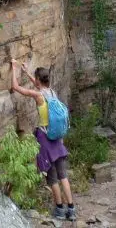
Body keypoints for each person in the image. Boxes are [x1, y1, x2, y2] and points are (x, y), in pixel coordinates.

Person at [10, 59, 76, 221]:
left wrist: (13, 68)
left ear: (38, 80)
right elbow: (39, 86)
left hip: (45, 139)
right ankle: (71, 209)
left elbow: (16, 88)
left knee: (52, 176)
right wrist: (26, 71)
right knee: (63, 175)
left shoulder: (38, 95)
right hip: (58, 138)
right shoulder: (52, 92)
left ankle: (60, 209)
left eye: (35, 79)